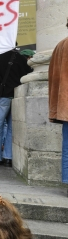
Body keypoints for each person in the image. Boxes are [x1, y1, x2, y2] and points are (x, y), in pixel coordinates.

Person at [0, 49, 32, 166]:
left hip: (1, 96)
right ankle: (8, 157)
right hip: (16, 95)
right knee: (11, 129)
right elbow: (27, 76)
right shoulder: (20, 58)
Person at [48, 22, 68, 184]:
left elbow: (53, 79)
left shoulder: (60, 45)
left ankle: (67, 181)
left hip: (64, 105)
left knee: (67, 147)